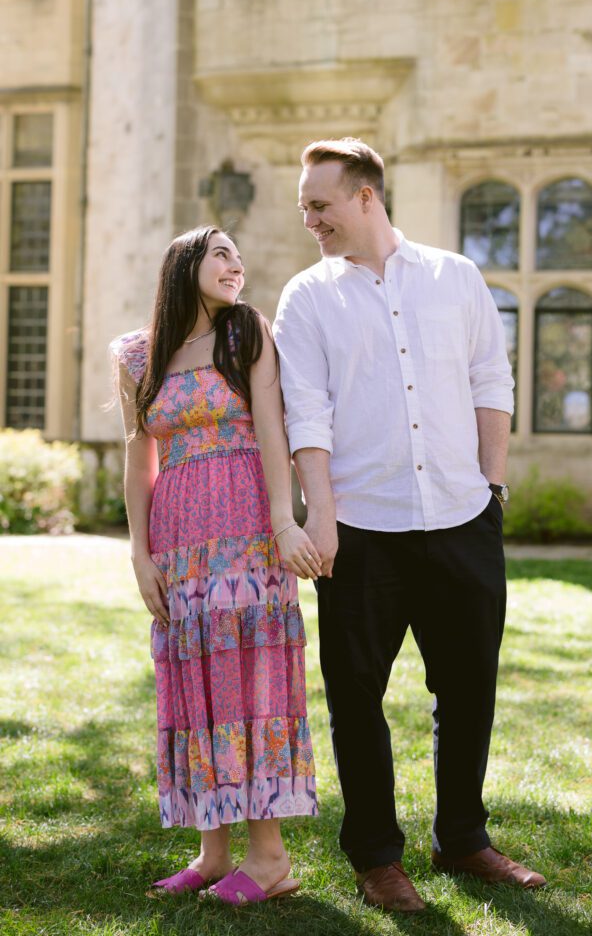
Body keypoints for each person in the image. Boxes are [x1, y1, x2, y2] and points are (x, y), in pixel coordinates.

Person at [273, 138, 546, 913]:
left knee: (468, 691)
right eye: (303, 207)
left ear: (365, 197)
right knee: (355, 697)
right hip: (360, 529)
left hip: (463, 518)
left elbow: (490, 376)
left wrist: (491, 485)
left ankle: (462, 838)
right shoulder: (306, 296)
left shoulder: (455, 276)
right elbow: (308, 413)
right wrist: (319, 516)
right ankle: (375, 856)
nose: (309, 219)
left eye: (318, 204)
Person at [111, 226, 320, 907]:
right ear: (184, 266)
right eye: (220, 253)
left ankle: (269, 859)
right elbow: (139, 458)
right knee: (194, 682)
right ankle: (211, 852)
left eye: (238, 254)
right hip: (176, 536)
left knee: (248, 679)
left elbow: (270, 427)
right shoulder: (138, 354)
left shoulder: (245, 333)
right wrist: (140, 553)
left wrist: (286, 522)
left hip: (245, 530)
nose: (236, 264)